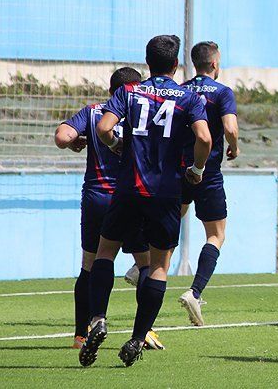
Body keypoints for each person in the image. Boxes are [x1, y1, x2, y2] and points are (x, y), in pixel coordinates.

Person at [78, 35, 211, 368]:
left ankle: (98, 319)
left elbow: (105, 127)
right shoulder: (188, 97)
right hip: (166, 193)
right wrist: (196, 169)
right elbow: (205, 138)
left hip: (128, 190)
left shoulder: (129, 92)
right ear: (176, 65)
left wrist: (117, 146)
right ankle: (138, 337)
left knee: (105, 252)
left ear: (147, 63)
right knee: (159, 266)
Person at [54, 67, 163, 351]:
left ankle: (82, 333)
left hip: (96, 197)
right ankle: (145, 330)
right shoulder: (144, 111)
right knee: (146, 264)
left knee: (91, 263)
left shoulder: (92, 112)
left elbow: (62, 136)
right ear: (134, 88)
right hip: (130, 196)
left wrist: (75, 141)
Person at [178, 41, 239, 326]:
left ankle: (138, 266)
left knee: (172, 217)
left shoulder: (180, 90)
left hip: (177, 169)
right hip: (207, 172)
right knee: (216, 234)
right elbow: (229, 127)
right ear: (214, 64)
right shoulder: (222, 92)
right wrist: (234, 146)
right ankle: (194, 292)